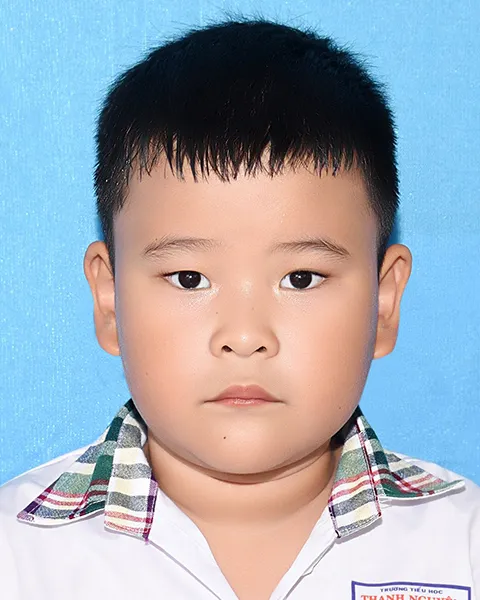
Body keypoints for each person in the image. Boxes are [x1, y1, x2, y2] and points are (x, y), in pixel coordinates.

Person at [0, 17, 478, 600]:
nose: (245, 335)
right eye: (189, 279)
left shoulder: (464, 548)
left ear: (383, 304)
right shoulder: (17, 559)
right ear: (109, 300)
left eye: (301, 279)